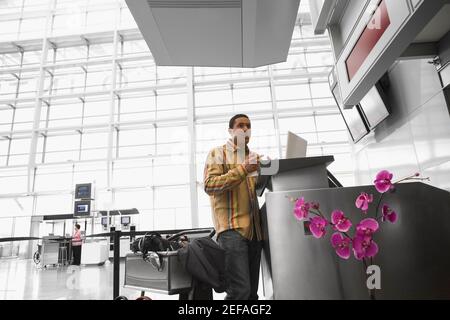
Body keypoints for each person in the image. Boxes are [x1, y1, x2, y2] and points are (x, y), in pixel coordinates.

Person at [203, 114, 263, 300]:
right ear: (230, 130)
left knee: (252, 294)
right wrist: (243, 169)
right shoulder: (217, 153)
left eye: (248, 125)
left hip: (255, 232)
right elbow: (210, 185)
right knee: (239, 291)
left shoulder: (254, 158)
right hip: (232, 230)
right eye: (240, 125)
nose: (245, 129)